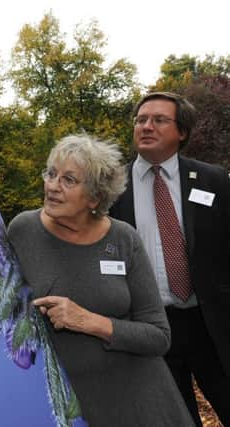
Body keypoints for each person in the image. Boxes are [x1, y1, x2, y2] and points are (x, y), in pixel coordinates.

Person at [8, 134, 194, 427]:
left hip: (141, 399)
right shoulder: (22, 230)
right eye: (51, 173)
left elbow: (159, 337)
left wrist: (87, 321)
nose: (53, 186)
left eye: (69, 180)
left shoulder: (123, 238)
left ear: (95, 197)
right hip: (73, 404)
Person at [109, 92, 230, 426]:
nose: (147, 126)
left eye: (159, 120)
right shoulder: (110, 188)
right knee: (175, 420)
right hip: (151, 329)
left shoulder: (213, 180)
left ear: (182, 132)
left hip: (212, 323)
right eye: (141, 120)